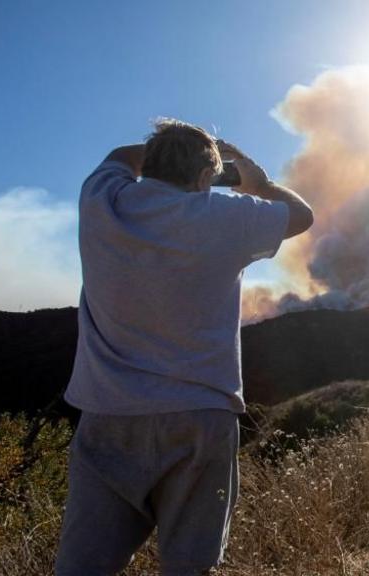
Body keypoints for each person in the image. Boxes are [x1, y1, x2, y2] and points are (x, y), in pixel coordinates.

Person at [55, 119, 313, 575]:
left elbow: (118, 155)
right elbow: (301, 215)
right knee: (189, 567)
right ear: (203, 179)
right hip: (199, 420)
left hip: (108, 415)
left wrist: (170, 148)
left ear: (149, 166)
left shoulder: (103, 200)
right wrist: (258, 180)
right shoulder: (225, 217)